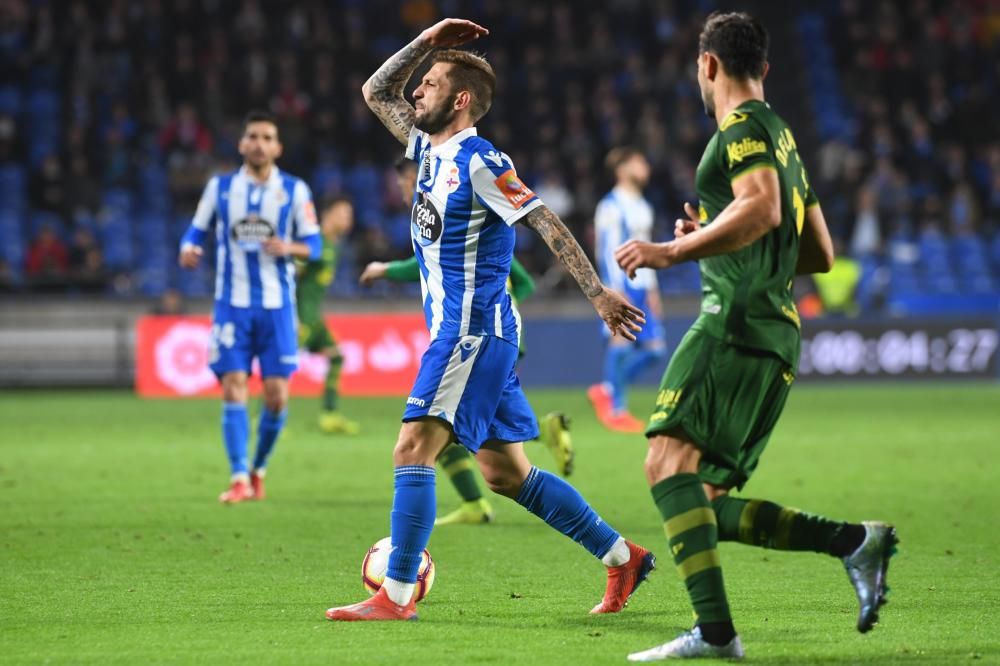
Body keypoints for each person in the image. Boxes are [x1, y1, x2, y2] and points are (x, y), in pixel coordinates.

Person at [327, 18, 653, 622]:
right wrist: (426, 42)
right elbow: (376, 92)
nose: (415, 91)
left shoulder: (481, 161)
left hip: (472, 331)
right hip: (477, 333)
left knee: (412, 447)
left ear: (461, 99)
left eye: (428, 83)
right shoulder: (426, 148)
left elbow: (546, 221)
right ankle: (621, 556)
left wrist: (599, 293)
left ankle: (396, 596)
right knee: (506, 473)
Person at [614, 13, 897, 660]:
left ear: (707, 65)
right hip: (776, 334)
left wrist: (674, 250)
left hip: (734, 323)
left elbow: (763, 208)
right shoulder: (783, 136)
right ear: (764, 69)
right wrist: (718, 237)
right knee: (700, 503)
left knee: (663, 464)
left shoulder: (740, 128)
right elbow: (818, 251)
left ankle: (716, 636)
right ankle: (854, 542)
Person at [360, 159, 575, 527]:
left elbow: (514, 277)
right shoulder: (451, 221)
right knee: (486, 441)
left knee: (431, 430)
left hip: (477, 334)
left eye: (406, 181)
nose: (404, 189)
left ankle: (412, 565)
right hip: (493, 335)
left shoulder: (459, 207)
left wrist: (384, 270)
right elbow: (520, 278)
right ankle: (617, 552)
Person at [178, 110, 321, 504]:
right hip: (232, 306)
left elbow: (315, 246)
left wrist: (287, 247)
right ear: (242, 144)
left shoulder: (295, 190)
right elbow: (196, 230)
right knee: (233, 387)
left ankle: (258, 469)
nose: (258, 143)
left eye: (266, 137)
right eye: (252, 136)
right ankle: (239, 475)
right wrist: (187, 248)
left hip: (277, 308)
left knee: (276, 395)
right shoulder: (220, 188)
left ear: (277, 147)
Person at [588, 147, 668, 433]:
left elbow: (647, 252)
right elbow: (606, 250)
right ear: (622, 169)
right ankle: (617, 408)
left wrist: (654, 289)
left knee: (656, 351)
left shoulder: (643, 205)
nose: (645, 165)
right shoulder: (611, 205)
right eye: (639, 161)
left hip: (644, 287)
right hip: (622, 286)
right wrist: (611, 289)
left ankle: (607, 389)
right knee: (620, 345)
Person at [296, 195, 361, 435]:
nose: (348, 220)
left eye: (350, 216)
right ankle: (265, 419)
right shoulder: (314, 243)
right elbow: (293, 276)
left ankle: (329, 415)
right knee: (282, 367)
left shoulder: (335, 245)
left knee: (336, 357)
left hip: (315, 318)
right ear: (327, 215)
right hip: (301, 317)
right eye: (343, 214)